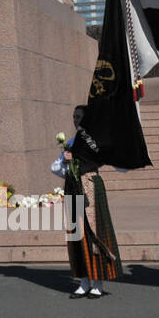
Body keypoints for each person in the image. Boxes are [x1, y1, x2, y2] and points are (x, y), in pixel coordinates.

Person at [59, 105, 121, 298]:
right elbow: (57, 168)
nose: (76, 120)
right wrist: (66, 162)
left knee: (95, 232)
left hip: (90, 186)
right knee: (77, 233)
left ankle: (98, 282)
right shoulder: (71, 142)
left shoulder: (93, 141)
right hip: (73, 187)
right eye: (74, 117)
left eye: (79, 117)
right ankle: (84, 280)